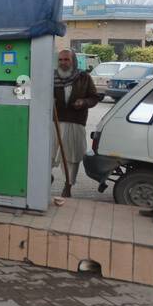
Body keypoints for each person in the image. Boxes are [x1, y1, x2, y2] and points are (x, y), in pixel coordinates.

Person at [52, 48, 101, 198]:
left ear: (73, 61)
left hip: (75, 122)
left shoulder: (83, 77)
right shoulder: (51, 76)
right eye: (60, 60)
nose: (63, 63)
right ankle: (47, 178)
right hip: (54, 122)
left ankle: (68, 186)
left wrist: (84, 102)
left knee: (72, 158)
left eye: (67, 59)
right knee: (48, 154)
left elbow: (94, 97)